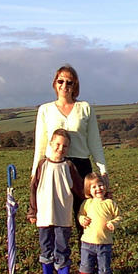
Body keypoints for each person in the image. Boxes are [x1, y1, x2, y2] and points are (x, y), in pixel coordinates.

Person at [31, 64, 110, 246]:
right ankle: (61, 267)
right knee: (58, 222)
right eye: (61, 81)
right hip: (54, 169)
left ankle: (88, 267)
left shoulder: (85, 108)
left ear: (75, 85)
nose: (64, 85)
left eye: (69, 82)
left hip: (81, 167)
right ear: (55, 83)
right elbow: (40, 144)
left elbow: (94, 142)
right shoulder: (45, 110)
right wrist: (35, 173)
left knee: (86, 218)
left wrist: (103, 170)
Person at [27, 129, 84, 274]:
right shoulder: (42, 165)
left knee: (62, 247)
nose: (60, 148)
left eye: (65, 146)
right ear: (51, 144)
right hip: (44, 215)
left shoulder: (69, 166)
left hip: (63, 216)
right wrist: (33, 212)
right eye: (57, 144)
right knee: (45, 247)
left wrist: (96, 196)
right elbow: (33, 189)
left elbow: (80, 188)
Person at [78, 172, 121, 274]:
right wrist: (82, 220)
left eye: (100, 185)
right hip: (87, 242)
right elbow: (80, 215)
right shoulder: (87, 203)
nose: (98, 189)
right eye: (94, 187)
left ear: (105, 186)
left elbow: (118, 217)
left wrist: (113, 223)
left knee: (104, 266)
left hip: (104, 242)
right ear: (88, 190)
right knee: (85, 265)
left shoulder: (110, 203)